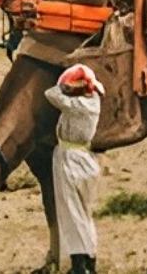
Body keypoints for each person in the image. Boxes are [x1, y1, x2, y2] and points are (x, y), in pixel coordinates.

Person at [46, 64, 104, 274]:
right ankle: (90, 261)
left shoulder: (75, 104)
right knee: (84, 214)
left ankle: (79, 266)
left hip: (70, 160)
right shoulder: (93, 101)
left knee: (71, 213)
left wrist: (66, 86)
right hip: (86, 160)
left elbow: (51, 93)